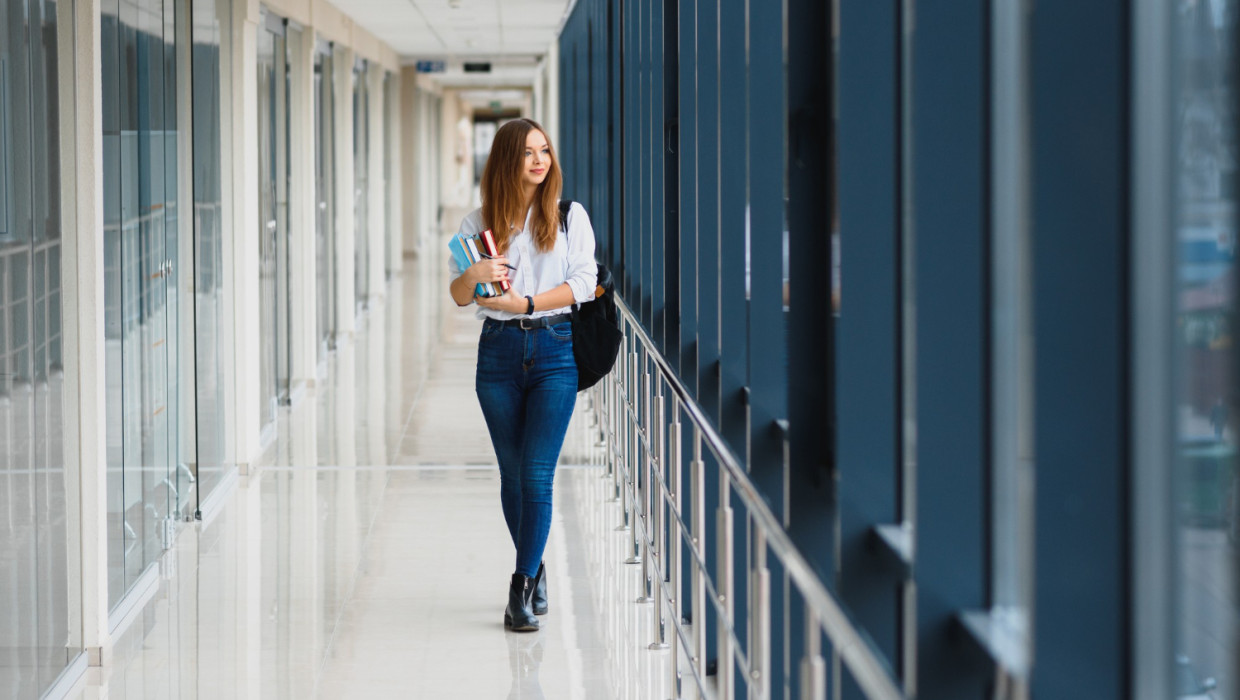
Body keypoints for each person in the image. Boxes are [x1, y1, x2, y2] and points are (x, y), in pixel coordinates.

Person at [448, 118, 598, 632]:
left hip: (555, 348)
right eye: (529, 152)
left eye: (545, 151)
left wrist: (527, 301)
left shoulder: (567, 216)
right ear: (508, 160)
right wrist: (474, 274)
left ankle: (520, 587)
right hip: (498, 354)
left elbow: (584, 282)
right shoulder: (478, 224)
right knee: (512, 477)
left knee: (536, 473)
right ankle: (536, 567)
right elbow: (459, 294)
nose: (540, 160)